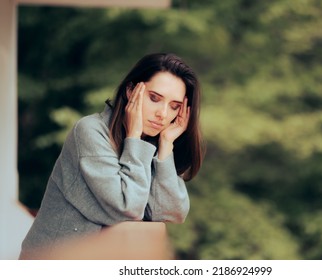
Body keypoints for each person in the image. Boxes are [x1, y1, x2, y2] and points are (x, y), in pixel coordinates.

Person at [19, 53, 205, 259]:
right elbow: (128, 208)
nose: (162, 113)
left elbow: (171, 212)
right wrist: (134, 139)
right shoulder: (90, 131)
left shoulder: (151, 143)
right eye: (154, 98)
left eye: (174, 107)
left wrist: (166, 146)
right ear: (130, 90)